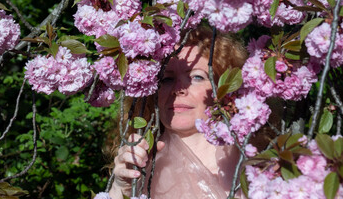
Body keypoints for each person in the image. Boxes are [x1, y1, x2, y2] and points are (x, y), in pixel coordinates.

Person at [103, 26, 248, 199]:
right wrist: (120, 190)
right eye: (167, 79)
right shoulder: (138, 168)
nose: (179, 89)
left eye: (197, 77)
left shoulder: (253, 165)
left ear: (224, 88)